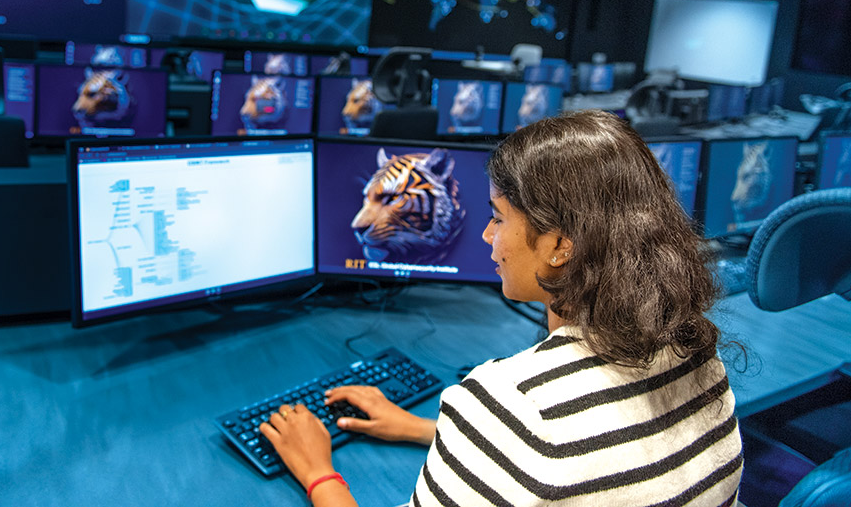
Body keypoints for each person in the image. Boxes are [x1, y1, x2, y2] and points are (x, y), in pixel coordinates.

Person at [259, 110, 744, 506]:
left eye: (497, 218)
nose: (488, 237)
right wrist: (431, 431)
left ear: (559, 245)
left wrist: (317, 472)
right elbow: (600, 464)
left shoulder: (514, 405)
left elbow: (542, 443)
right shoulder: (692, 343)